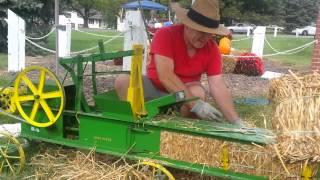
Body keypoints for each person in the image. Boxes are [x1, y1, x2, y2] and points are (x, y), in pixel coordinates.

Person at [115, 0, 243, 125]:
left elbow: (217, 85)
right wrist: (196, 105)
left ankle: (183, 133)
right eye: (201, 31)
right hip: (156, 90)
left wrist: (235, 121)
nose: (205, 37)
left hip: (184, 96)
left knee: (197, 93)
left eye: (209, 33)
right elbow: (166, 76)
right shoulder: (165, 35)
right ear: (188, 25)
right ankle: (135, 124)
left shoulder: (211, 49)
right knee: (123, 81)